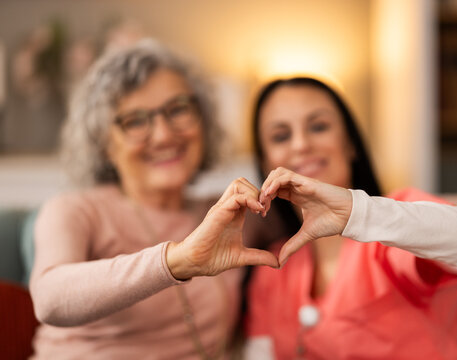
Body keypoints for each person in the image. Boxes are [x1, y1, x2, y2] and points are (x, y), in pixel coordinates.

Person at [28, 39, 279, 359]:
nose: (162, 134)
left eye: (177, 110)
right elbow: (50, 299)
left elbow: (315, 230)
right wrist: (177, 261)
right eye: (134, 121)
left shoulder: (229, 213)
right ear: (104, 142)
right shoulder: (74, 210)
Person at [244, 77, 457, 359]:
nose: (301, 144)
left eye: (318, 126)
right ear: (266, 163)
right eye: (281, 136)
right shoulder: (271, 269)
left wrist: (358, 211)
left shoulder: (396, 224)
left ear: (350, 144)